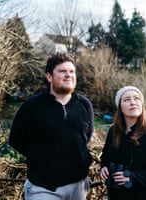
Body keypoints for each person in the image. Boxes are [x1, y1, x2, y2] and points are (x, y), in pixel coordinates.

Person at [9, 53, 94, 200]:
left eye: (71, 71)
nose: (68, 75)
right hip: (43, 188)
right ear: (49, 77)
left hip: (78, 186)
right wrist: (41, 159)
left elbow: (86, 137)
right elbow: (16, 140)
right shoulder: (32, 106)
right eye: (62, 71)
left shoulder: (85, 105)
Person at [100, 86, 146, 200]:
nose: (133, 102)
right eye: (127, 100)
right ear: (120, 107)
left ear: (142, 104)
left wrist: (132, 178)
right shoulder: (113, 131)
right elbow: (105, 157)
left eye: (137, 98)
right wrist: (104, 167)